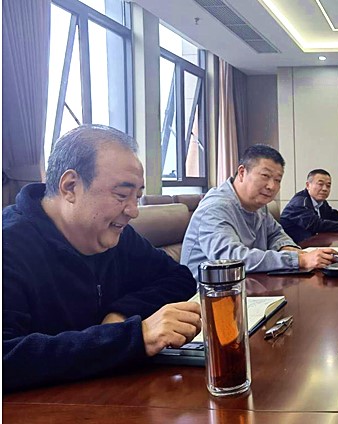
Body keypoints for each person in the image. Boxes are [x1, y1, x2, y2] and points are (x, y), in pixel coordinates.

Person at [3, 125, 199, 392]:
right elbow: (8, 357)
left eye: (137, 197)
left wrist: (120, 313)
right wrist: (132, 337)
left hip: (120, 393)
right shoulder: (10, 246)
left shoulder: (117, 236)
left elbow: (179, 278)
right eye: (122, 195)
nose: (133, 211)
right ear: (70, 186)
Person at [181, 145, 336, 277]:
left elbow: (275, 234)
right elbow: (231, 259)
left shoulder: (258, 205)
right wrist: (298, 260)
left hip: (248, 283)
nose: (271, 186)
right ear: (242, 173)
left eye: (277, 180)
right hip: (205, 295)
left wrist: (289, 249)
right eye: (265, 176)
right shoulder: (216, 208)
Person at [280, 169, 338, 243]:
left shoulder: (320, 201)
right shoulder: (300, 203)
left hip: (312, 242)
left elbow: (332, 214)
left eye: (328, 186)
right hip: (296, 246)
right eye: (320, 184)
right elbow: (315, 224)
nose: (325, 189)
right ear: (308, 185)